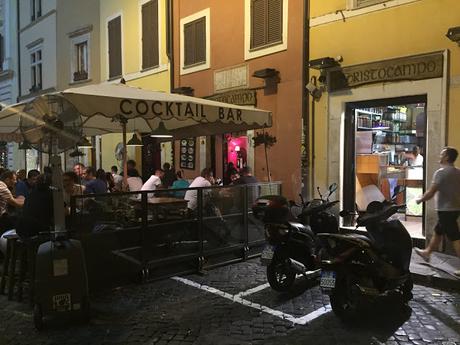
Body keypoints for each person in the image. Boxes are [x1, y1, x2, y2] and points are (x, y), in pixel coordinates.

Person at [415, 147, 460, 277]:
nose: (439, 156)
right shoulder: (458, 172)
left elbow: (431, 192)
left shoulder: (441, 173)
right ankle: (427, 253)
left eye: (442, 154)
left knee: (455, 238)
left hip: (446, 210)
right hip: (455, 209)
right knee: (438, 231)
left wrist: (420, 200)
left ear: (446, 157)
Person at [16, 173, 53, 239]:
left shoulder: (32, 193)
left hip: (22, 229)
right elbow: (64, 211)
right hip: (38, 230)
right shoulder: (51, 194)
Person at [0, 170, 24, 235]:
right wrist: (26, 200)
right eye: (14, 179)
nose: (16, 182)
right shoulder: (3, 188)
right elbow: (17, 204)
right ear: (7, 179)